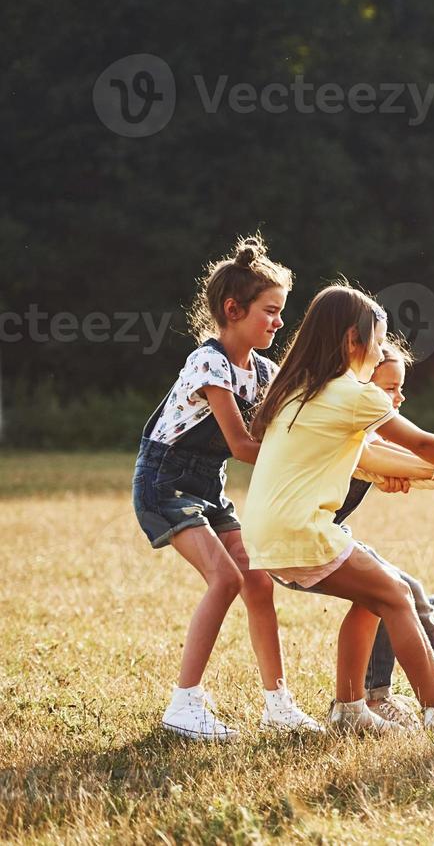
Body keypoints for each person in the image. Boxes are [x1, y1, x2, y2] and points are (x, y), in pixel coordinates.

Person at [242, 284, 434, 733]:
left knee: (370, 597)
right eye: (379, 340)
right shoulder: (354, 393)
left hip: (267, 535)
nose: (382, 350)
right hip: (303, 531)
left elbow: (376, 459)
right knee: (396, 594)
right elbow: (422, 442)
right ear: (353, 340)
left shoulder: (300, 389)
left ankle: (350, 710)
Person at [132, 235, 321, 741]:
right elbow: (241, 444)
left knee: (257, 581)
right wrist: (301, 455)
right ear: (233, 310)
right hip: (165, 481)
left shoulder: (262, 371)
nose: (279, 322)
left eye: (282, 311)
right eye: (271, 311)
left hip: (208, 488)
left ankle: (278, 705)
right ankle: (183, 703)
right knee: (227, 579)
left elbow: (299, 415)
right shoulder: (208, 362)